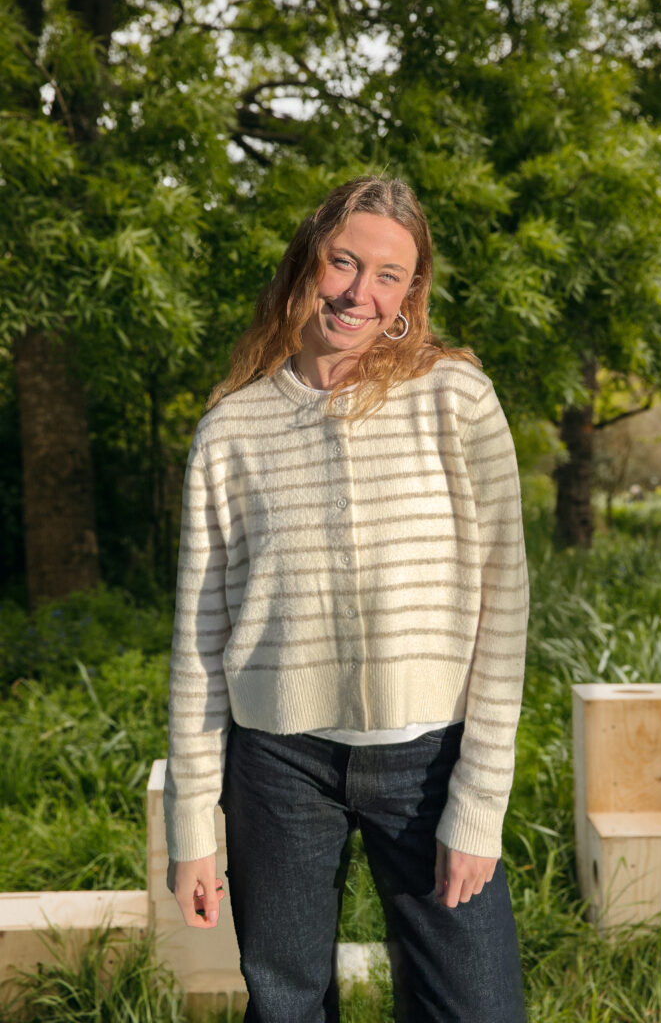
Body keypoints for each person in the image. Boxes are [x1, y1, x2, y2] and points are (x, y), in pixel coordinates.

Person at [163, 175, 529, 1023]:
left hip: (430, 762)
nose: (359, 293)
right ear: (307, 264)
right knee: (286, 1006)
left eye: (388, 276)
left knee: (477, 1007)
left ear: (409, 295)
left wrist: (478, 804)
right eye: (343, 263)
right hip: (277, 769)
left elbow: (503, 611)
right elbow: (196, 641)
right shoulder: (231, 431)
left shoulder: (456, 401)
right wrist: (192, 829)